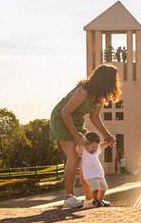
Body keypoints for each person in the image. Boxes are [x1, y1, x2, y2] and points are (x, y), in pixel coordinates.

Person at [50, 64, 119, 209]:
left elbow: (94, 117)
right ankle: (69, 197)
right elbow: (65, 113)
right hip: (61, 120)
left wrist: (106, 135)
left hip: (76, 121)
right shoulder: (83, 91)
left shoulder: (100, 97)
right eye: (113, 79)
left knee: (85, 159)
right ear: (105, 80)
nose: (116, 82)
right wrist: (76, 136)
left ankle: (90, 200)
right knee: (74, 157)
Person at [77, 131, 113, 207]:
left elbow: (103, 145)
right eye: (92, 147)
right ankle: (95, 201)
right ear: (86, 144)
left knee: (104, 187)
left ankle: (100, 200)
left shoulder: (97, 150)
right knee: (95, 187)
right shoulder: (83, 150)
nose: (94, 149)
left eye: (96, 147)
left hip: (99, 173)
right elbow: (78, 148)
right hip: (89, 175)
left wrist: (110, 141)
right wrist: (80, 140)